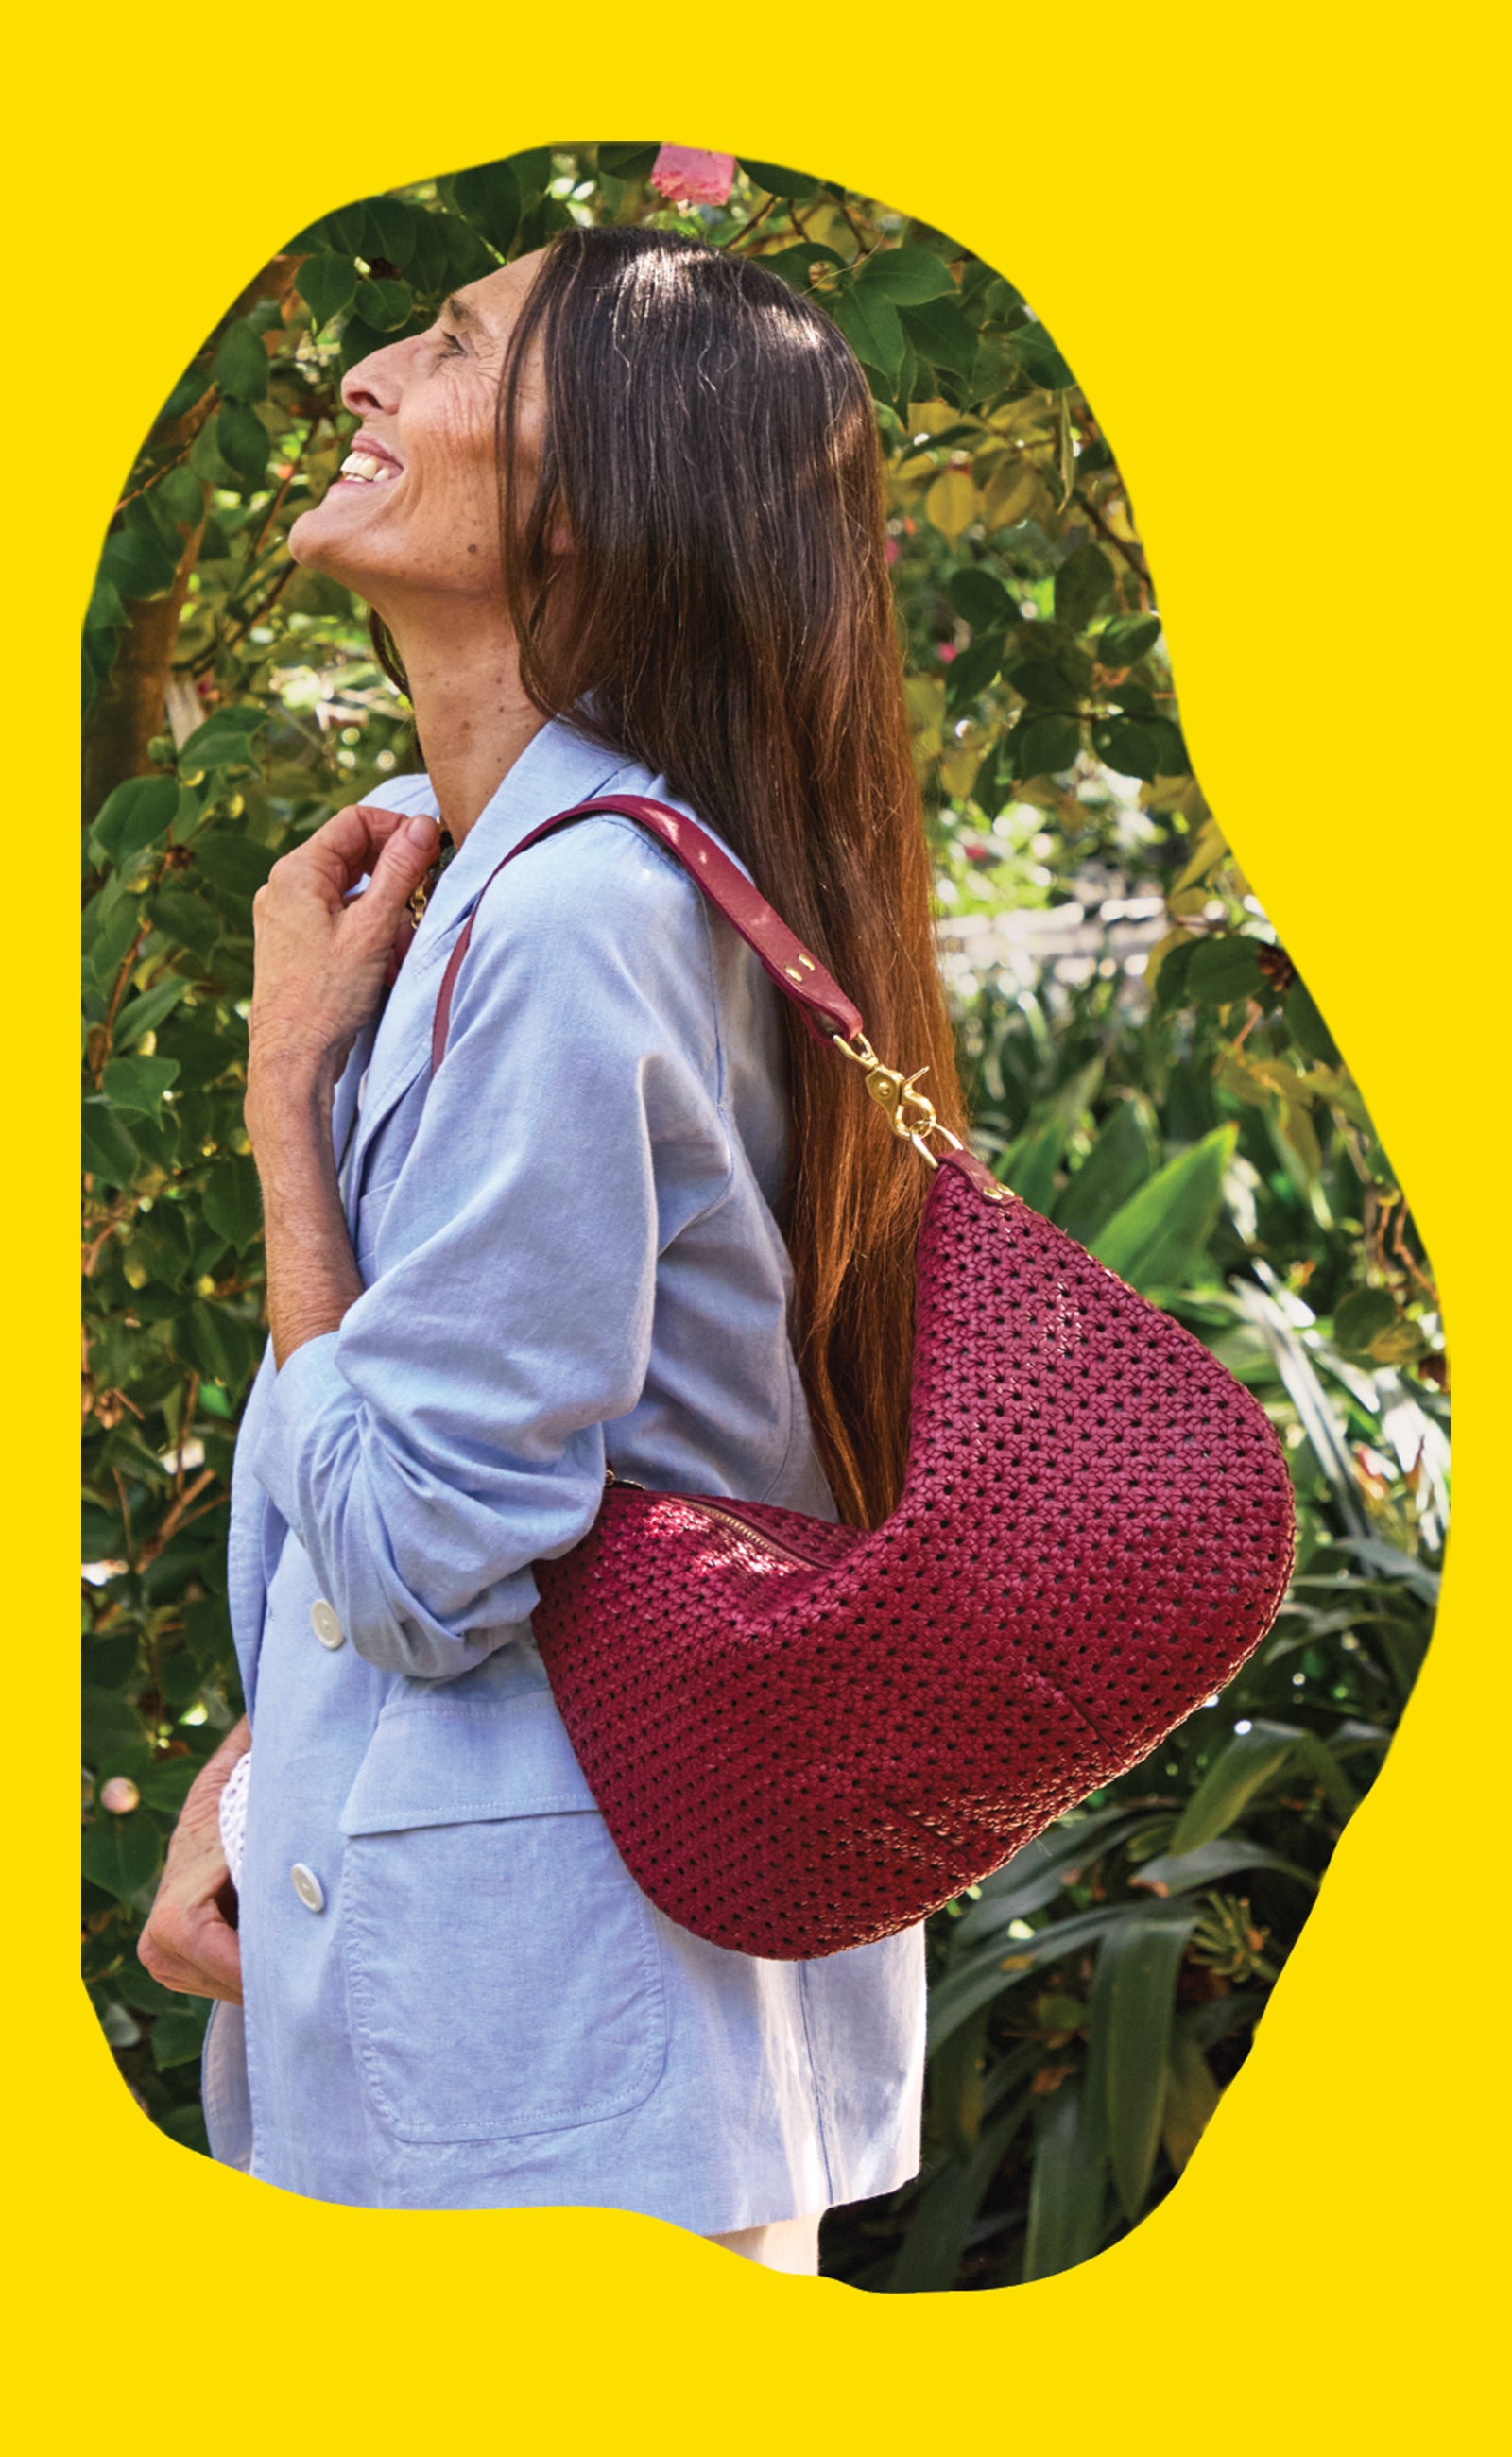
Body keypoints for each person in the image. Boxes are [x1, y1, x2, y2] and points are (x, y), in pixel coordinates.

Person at [139, 224, 971, 2269]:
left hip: (543, 2106)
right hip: (527, 2043)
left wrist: (280, 1110)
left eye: (441, 345)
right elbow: (549, 1477)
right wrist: (264, 1783)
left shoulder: (580, 924)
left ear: (585, 499)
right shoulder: (555, 892)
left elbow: (430, 1550)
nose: (360, 378)